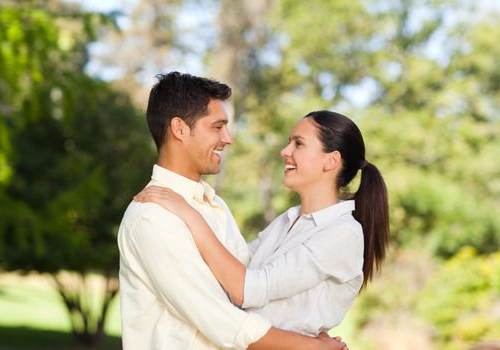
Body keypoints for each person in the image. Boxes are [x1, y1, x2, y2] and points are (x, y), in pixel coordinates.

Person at [117, 71, 348, 350]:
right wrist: (310, 346)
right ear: (179, 128)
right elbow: (220, 320)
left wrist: (311, 331)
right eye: (217, 126)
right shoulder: (152, 216)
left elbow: (251, 285)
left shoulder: (214, 206)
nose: (228, 138)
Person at [134, 110, 390, 337]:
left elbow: (246, 289)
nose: (285, 151)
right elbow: (236, 266)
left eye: (298, 144)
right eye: (289, 142)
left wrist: (189, 214)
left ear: (330, 161)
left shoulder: (343, 233)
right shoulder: (287, 220)